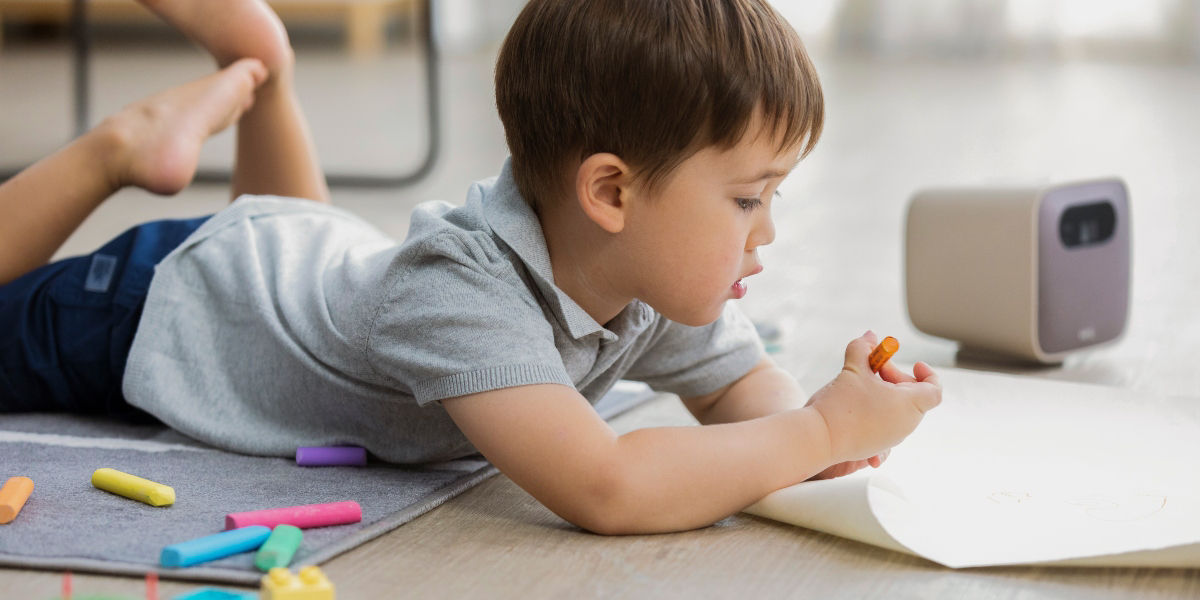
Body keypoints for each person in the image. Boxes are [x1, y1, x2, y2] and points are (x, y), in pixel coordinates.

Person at [0, 0, 941, 535]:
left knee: (298, 250)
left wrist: (838, 434)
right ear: (610, 194)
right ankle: (117, 149)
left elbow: (747, 397)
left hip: (300, 260)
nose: (767, 233)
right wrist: (816, 431)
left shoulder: (658, 278)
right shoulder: (458, 291)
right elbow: (605, 487)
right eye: (747, 199)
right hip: (156, 298)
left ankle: (264, 67)